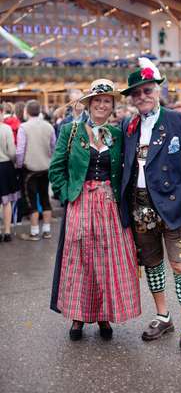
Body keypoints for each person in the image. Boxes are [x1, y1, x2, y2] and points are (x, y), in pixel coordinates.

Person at [120, 58, 181, 360]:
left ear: (158, 89)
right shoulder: (128, 125)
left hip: (174, 209)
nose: (142, 96)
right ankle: (163, 317)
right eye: (137, 93)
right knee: (153, 266)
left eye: (147, 90)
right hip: (140, 208)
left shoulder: (180, 121)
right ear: (132, 98)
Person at [49, 79, 141, 341]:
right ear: (89, 103)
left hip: (109, 205)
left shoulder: (117, 134)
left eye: (107, 102)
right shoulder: (70, 131)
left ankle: (103, 316)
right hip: (80, 203)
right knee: (80, 259)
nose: (102, 105)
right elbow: (57, 168)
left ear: (112, 106)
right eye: (98, 100)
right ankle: (78, 317)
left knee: (107, 261)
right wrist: (67, 194)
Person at [16, 100, 55, 240]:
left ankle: (34, 232)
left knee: (31, 200)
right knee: (45, 198)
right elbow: (53, 147)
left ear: (26, 111)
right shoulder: (49, 126)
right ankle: (47, 230)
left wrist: (19, 165)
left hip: (29, 169)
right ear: (39, 111)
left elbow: (20, 150)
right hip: (45, 167)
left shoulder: (24, 127)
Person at [0, 104, 20, 242]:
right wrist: (15, 162)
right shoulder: (5, 128)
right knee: (6, 202)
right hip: (5, 167)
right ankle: (7, 232)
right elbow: (11, 151)